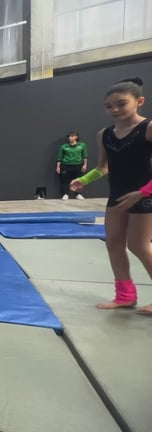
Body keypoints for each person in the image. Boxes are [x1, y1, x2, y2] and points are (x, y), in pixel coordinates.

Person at [70, 77, 152, 315]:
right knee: (114, 243)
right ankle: (125, 296)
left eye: (121, 104)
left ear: (139, 101)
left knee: (138, 245)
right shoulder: (104, 134)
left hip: (144, 194)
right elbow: (103, 167)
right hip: (118, 194)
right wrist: (84, 180)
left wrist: (143, 192)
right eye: (109, 106)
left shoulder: (148, 128)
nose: (114, 110)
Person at [57, 132, 88, 200]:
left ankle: (78, 194)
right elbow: (59, 157)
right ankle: (65, 194)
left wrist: (85, 164)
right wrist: (58, 167)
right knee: (65, 181)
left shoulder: (82, 145)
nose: (69, 138)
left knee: (78, 180)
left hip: (78, 165)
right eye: (69, 136)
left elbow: (85, 155)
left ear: (76, 137)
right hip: (66, 165)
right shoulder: (64, 146)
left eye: (71, 136)